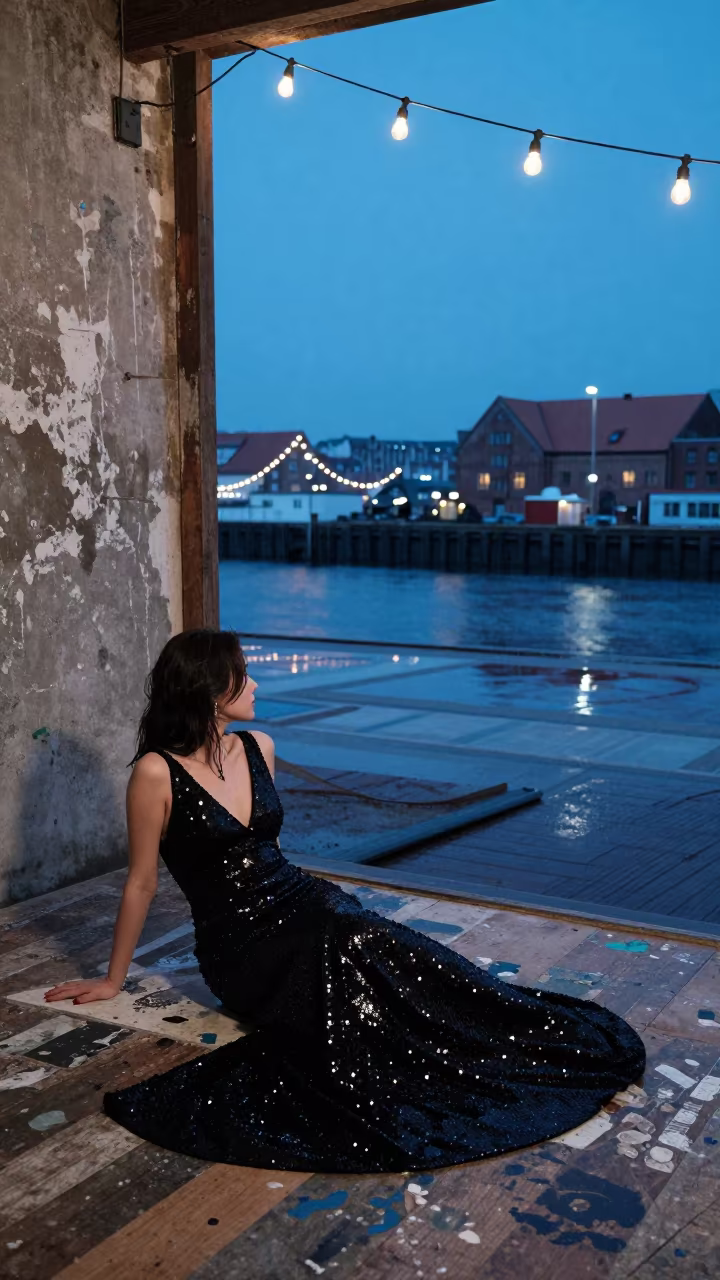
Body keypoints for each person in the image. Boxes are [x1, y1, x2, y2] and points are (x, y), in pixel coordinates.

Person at [44, 629, 645, 1173]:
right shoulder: (155, 772)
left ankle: (504, 1022)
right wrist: (112, 980)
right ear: (208, 687)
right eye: (243, 673)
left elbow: (264, 850)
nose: (255, 683)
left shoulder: (259, 747)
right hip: (241, 947)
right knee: (347, 948)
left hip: (303, 902)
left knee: (381, 946)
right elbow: (142, 882)